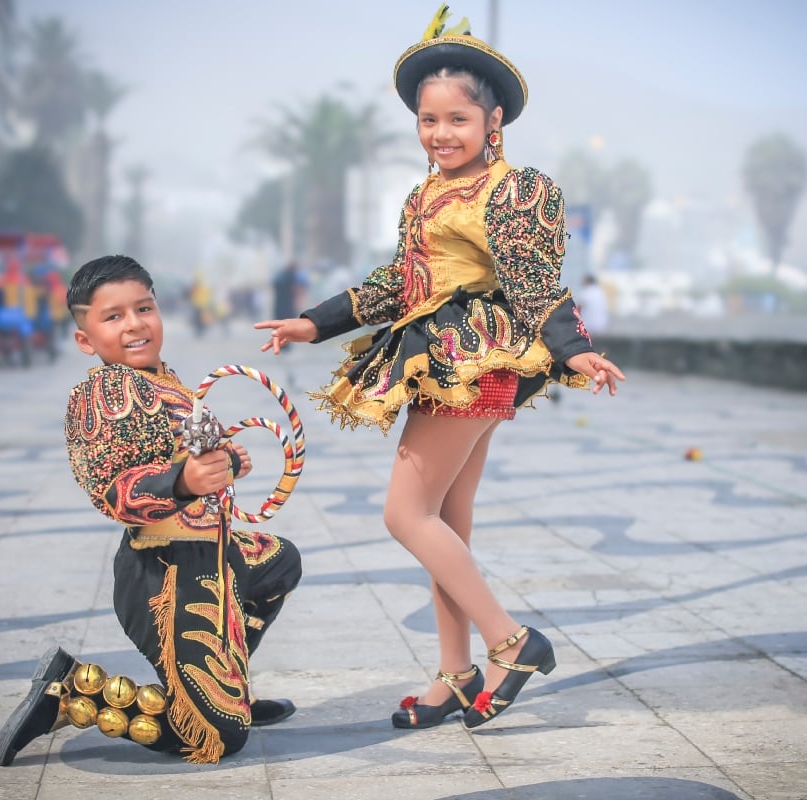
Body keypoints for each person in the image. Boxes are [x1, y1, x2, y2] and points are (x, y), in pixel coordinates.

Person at [254, 5, 624, 732]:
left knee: (404, 513)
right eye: (429, 120)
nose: (441, 133)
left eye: (458, 119)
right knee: (447, 517)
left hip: (473, 358)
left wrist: (575, 347)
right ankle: (455, 674)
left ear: (493, 123)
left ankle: (511, 644)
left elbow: (532, 280)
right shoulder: (424, 195)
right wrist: (315, 322)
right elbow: (400, 283)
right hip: (459, 362)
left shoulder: (516, 189)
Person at [0, 255, 302, 766]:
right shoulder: (102, 392)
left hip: (214, 551)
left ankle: (224, 689)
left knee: (280, 561)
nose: (135, 324)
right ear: (85, 340)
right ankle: (72, 695)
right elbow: (112, 488)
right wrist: (182, 481)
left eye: (144, 308)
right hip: (167, 574)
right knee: (223, 740)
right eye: (113, 317)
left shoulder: (167, 380)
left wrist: (227, 460)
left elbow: (195, 452)